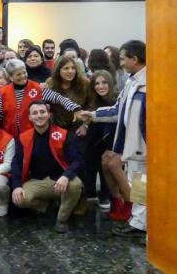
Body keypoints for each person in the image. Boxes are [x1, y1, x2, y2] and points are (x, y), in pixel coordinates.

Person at [81, 40, 146, 237]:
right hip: (133, 145)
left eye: (124, 58)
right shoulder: (131, 82)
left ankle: (146, 226)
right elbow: (118, 111)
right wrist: (92, 115)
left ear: (135, 59)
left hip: (146, 146)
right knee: (138, 184)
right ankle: (139, 224)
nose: (121, 63)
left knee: (144, 183)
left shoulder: (153, 82)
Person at [11, 101, 84, 233]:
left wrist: (66, 176)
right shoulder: (23, 137)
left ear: (49, 114)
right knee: (19, 199)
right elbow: (16, 163)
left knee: (75, 184)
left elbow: (78, 161)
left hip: (60, 181)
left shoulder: (63, 134)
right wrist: (16, 186)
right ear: (30, 117)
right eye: (35, 113)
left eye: (42, 112)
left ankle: (61, 219)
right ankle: (45, 207)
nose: (39, 116)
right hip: (37, 181)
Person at [0, 59, 84, 139]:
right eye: (18, 74)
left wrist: (75, 108)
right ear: (11, 77)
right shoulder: (4, 91)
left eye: (24, 72)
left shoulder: (37, 88)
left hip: (33, 134)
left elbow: (58, 98)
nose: (23, 76)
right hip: (10, 135)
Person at [83, 70, 116, 209]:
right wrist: (84, 124)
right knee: (89, 167)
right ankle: (90, 194)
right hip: (93, 143)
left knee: (106, 170)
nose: (100, 86)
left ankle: (105, 195)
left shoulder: (117, 100)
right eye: (96, 83)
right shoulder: (90, 100)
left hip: (112, 144)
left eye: (104, 83)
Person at [45, 55, 89, 129]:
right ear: (58, 70)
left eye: (73, 68)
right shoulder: (50, 83)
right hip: (57, 126)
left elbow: (91, 105)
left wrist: (85, 125)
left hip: (79, 125)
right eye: (66, 68)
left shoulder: (84, 83)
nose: (70, 71)